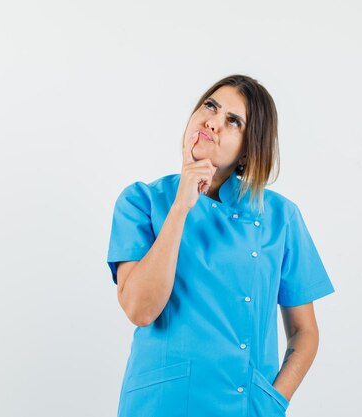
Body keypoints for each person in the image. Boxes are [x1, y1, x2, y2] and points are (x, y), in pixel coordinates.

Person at [106, 74, 335, 417]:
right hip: (158, 405)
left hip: (244, 407)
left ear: (247, 150)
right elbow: (140, 309)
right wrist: (182, 205)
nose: (213, 122)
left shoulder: (279, 217)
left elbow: (305, 332)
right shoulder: (142, 201)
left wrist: (273, 400)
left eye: (233, 121)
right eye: (210, 106)